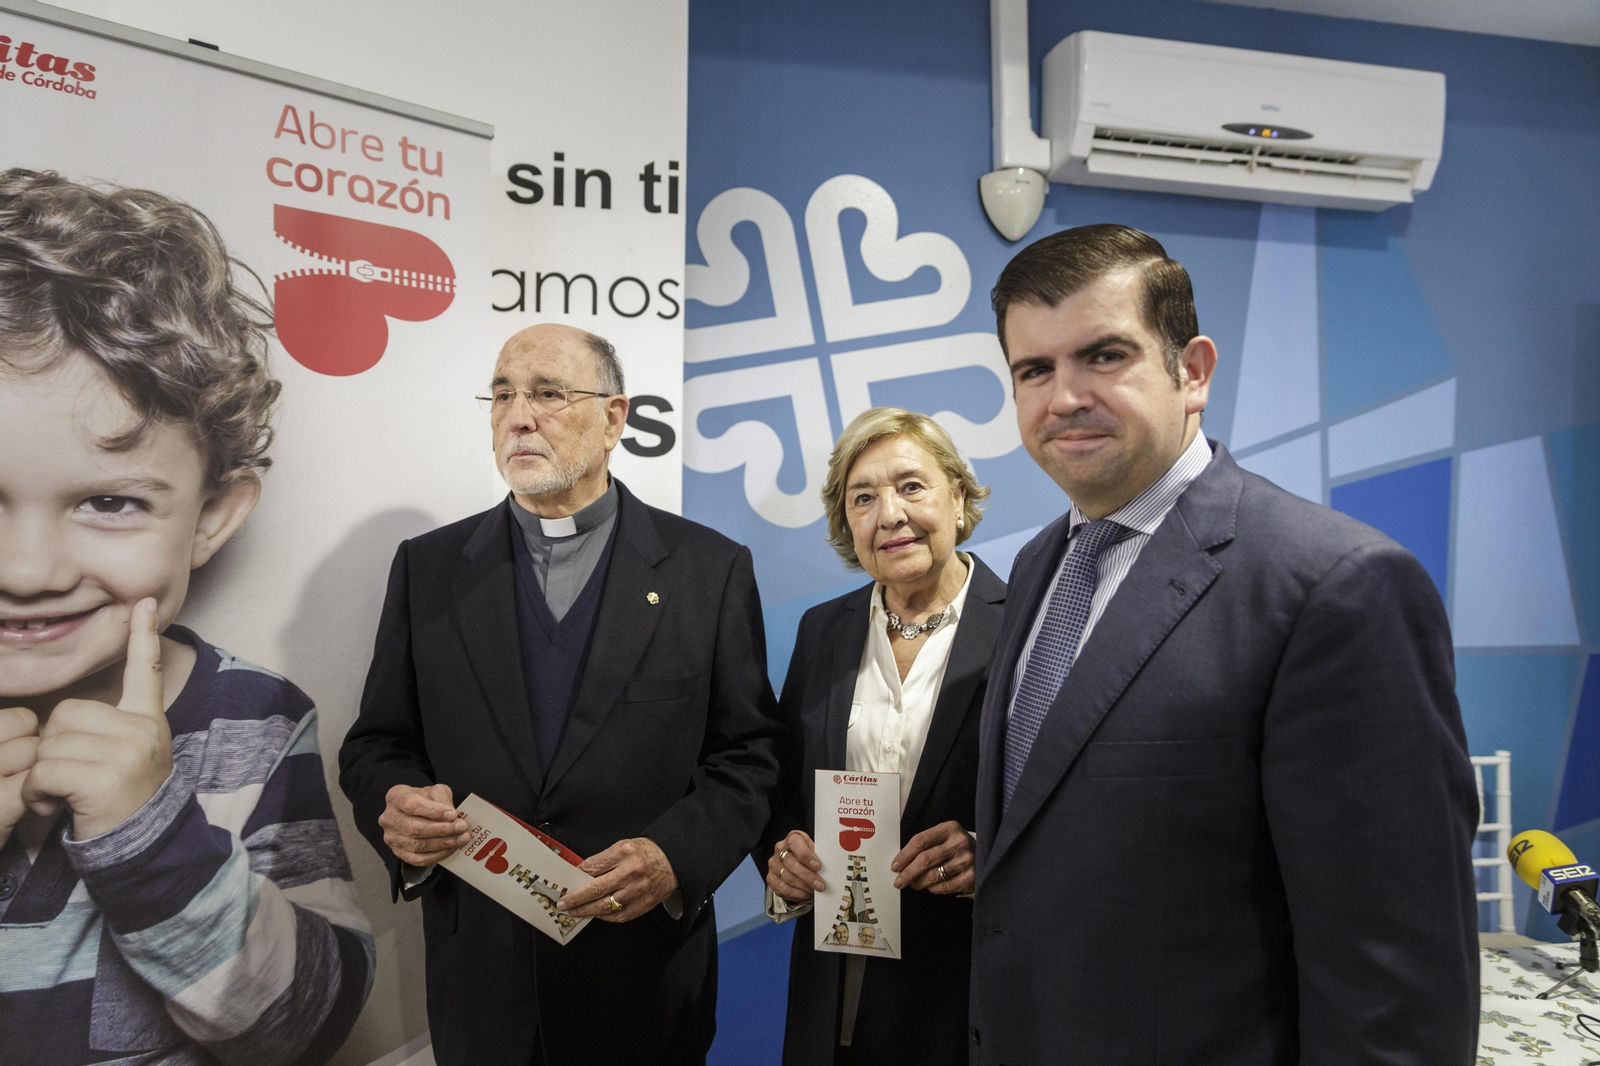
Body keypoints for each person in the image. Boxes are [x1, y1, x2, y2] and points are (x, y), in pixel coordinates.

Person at [968, 225, 1479, 1064]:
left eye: (1104, 356)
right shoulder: (1036, 567)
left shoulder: (1336, 585)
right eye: (1035, 370)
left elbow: (1394, 978)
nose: (1063, 397)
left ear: (1192, 371)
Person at [0, 169, 372, 1065]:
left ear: (210, 517)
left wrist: (149, 836)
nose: (27, 571)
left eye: (111, 504)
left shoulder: (256, 717)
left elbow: (309, 1021)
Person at [339, 323, 781, 1066]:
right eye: (503, 395)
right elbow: (378, 742)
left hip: (640, 982)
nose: (518, 415)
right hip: (482, 985)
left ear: (614, 419)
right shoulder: (429, 569)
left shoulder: (708, 571)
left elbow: (749, 755)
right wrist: (398, 804)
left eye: (548, 393)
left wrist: (675, 854)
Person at [759, 407, 1006, 1065]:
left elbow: (1068, 808)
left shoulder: (1025, 627)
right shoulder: (822, 631)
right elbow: (779, 789)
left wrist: (990, 856)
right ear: (847, 525)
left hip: (964, 1003)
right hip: (832, 1001)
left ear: (957, 495)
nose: (888, 514)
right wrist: (781, 858)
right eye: (862, 497)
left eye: (911, 486)